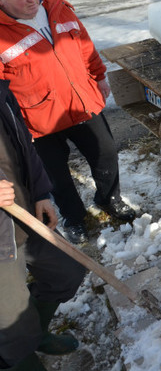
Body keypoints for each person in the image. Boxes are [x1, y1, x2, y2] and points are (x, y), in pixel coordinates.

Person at [0, 0, 137, 245]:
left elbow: (84, 43)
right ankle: (74, 217)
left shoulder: (56, 7)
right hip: (36, 122)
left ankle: (109, 198)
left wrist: (99, 76)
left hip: (80, 101)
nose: (32, 0)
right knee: (56, 178)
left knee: (106, 152)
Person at [0, 80, 86, 371]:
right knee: (11, 323)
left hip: (24, 214)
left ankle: (35, 334)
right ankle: (19, 355)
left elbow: (23, 143)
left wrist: (40, 193)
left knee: (67, 272)